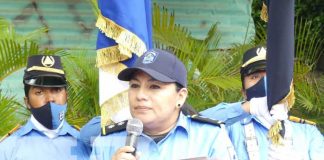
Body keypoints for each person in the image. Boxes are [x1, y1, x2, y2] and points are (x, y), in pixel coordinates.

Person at [90, 48, 237, 160]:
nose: (140, 95)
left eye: (154, 87)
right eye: (134, 86)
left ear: (180, 96)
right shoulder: (106, 142)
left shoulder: (209, 137)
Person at [201, 46, 324, 159]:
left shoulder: (308, 132)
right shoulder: (231, 127)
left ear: (290, 88)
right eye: (255, 77)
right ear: (244, 91)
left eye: (272, 76)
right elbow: (194, 124)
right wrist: (249, 107)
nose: (265, 82)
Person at [0, 55, 89, 160]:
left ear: (67, 97)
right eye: (39, 92)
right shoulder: (9, 147)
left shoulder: (86, 143)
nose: (50, 99)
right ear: (27, 102)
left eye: (56, 90)